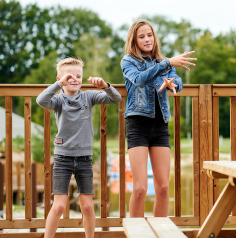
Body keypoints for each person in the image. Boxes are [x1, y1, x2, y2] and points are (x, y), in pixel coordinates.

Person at [36, 57, 122, 238]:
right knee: (58, 206)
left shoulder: (88, 97)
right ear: (60, 79)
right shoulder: (58, 101)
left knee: (88, 206)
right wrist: (58, 84)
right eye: (69, 76)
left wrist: (105, 85)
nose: (74, 79)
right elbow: (41, 100)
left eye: (78, 75)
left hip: (84, 159)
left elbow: (116, 98)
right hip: (62, 159)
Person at [120, 19, 197, 217]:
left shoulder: (162, 61)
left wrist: (173, 83)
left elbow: (177, 81)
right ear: (134, 40)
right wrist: (167, 63)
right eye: (142, 36)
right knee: (140, 189)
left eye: (150, 35)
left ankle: (160, 230)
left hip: (160, 125)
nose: (147, 39)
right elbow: (139, 80)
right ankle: (136, 232)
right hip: (138, 124)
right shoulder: (128, 61)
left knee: (163, 188)